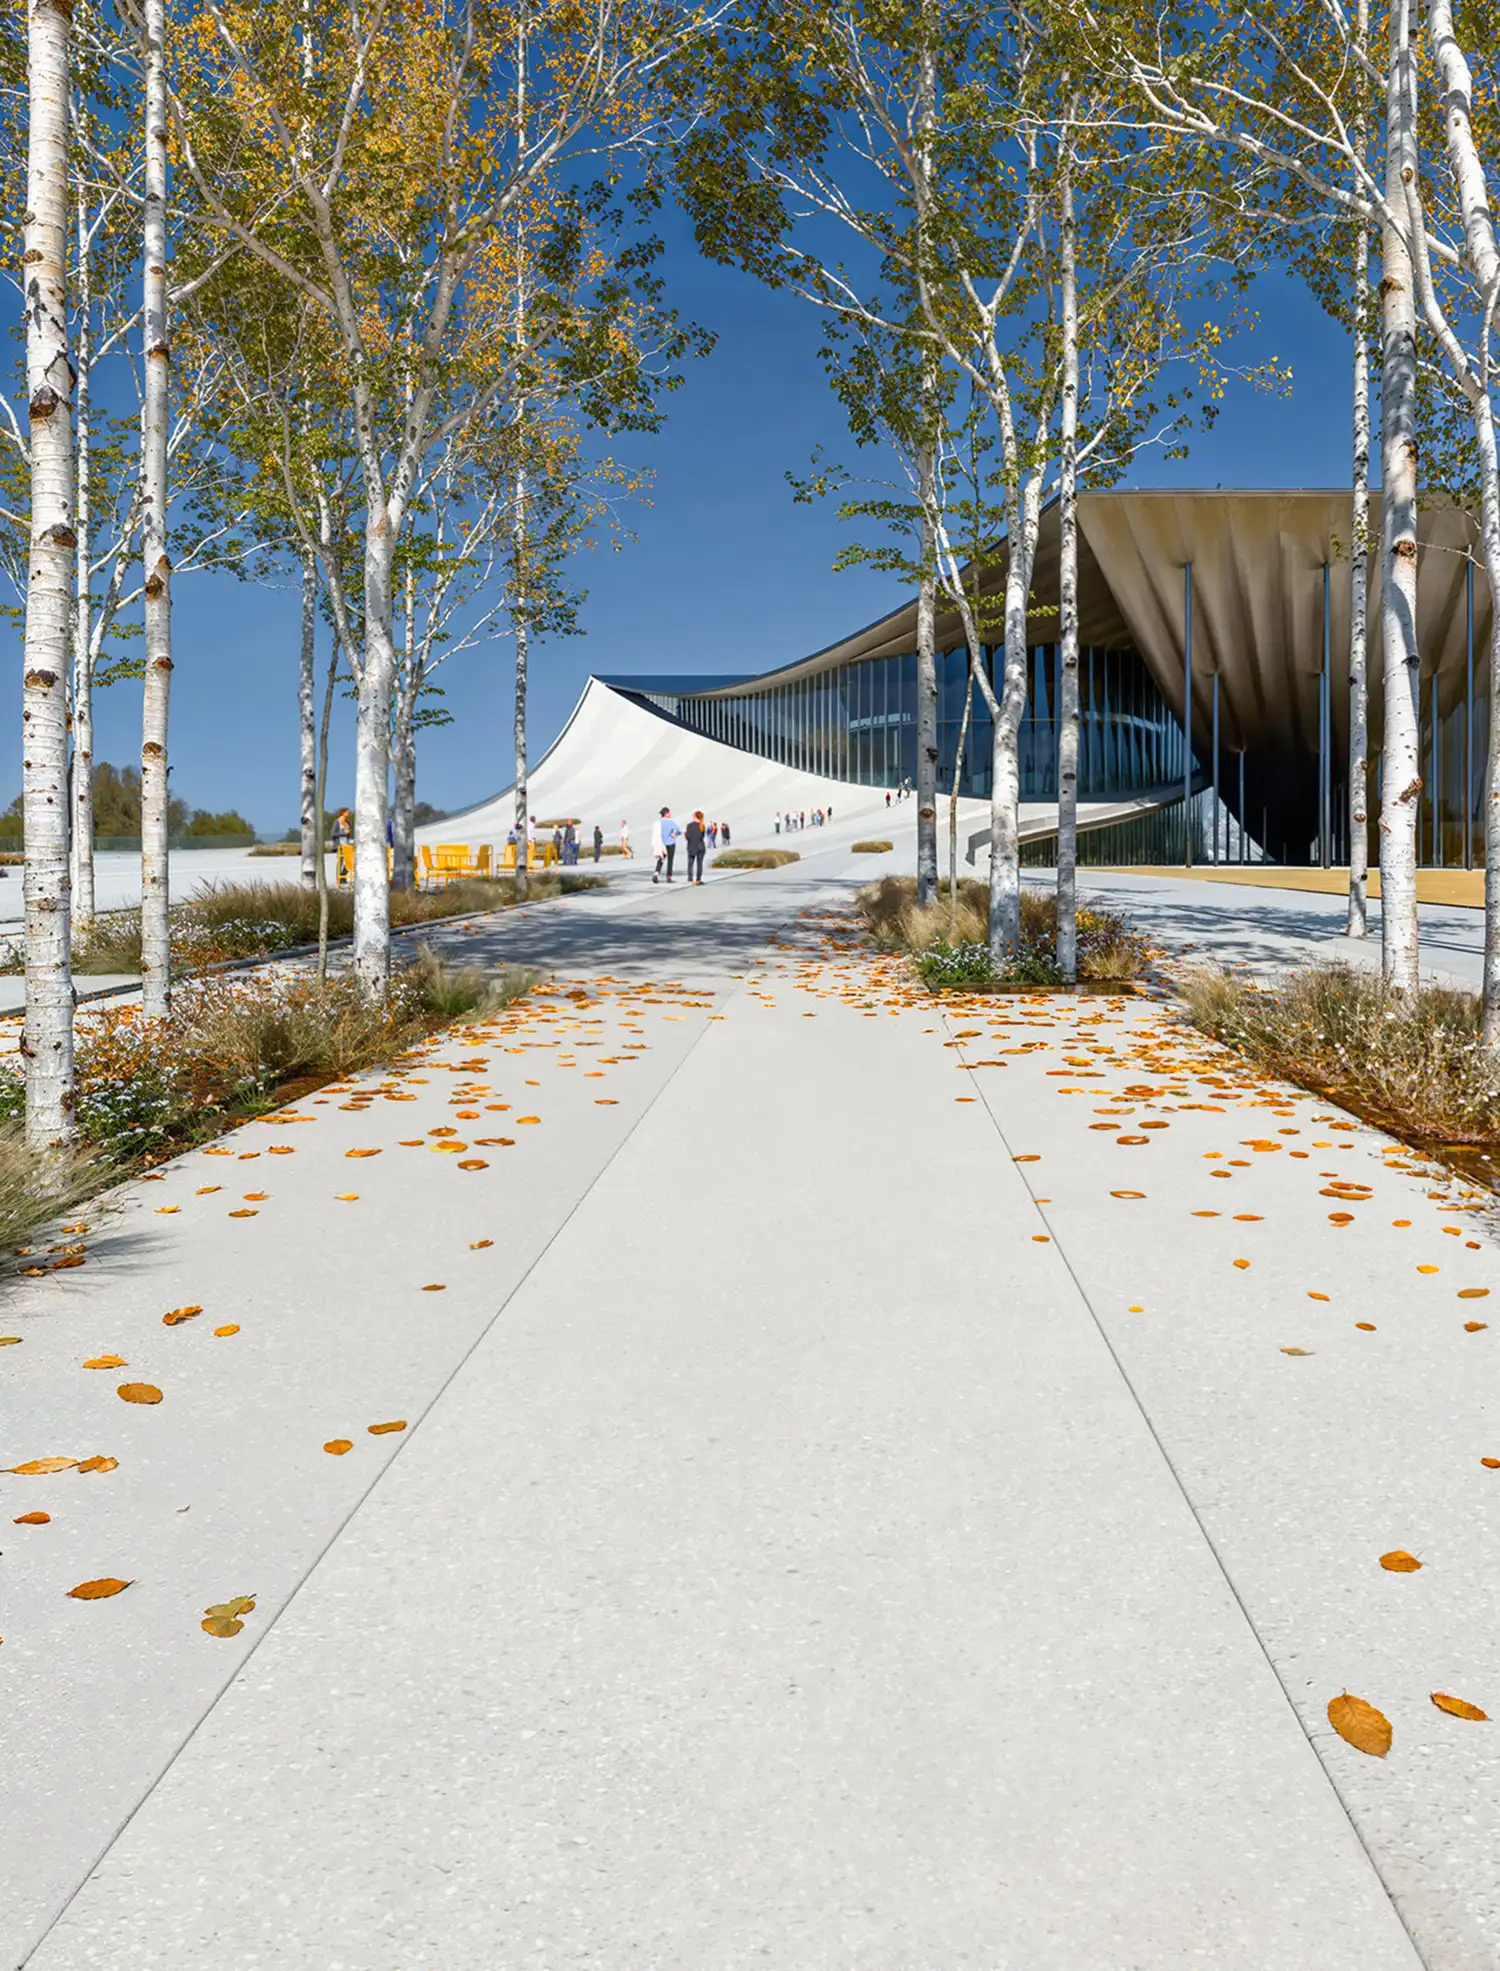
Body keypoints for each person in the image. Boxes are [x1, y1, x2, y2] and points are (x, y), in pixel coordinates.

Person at [659, 806, 680, 881]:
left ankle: (657, 873)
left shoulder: (659, 822)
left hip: (662, 843)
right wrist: (675, 834)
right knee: (670, 860)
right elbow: (678, 830)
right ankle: (669, 876)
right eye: (669, 812)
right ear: (666, 813)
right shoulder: (671, 822)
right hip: (671, 843)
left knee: (661, 858)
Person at [685, 811, 706, 885]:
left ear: (694, 816)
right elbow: (702, 837)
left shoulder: (689, 825)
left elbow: (687, 837)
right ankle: (698, 879)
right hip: (700, 846)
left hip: (691, 846)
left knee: (690, 864)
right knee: (699, 864)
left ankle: (690, 879)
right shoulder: (702, 825)